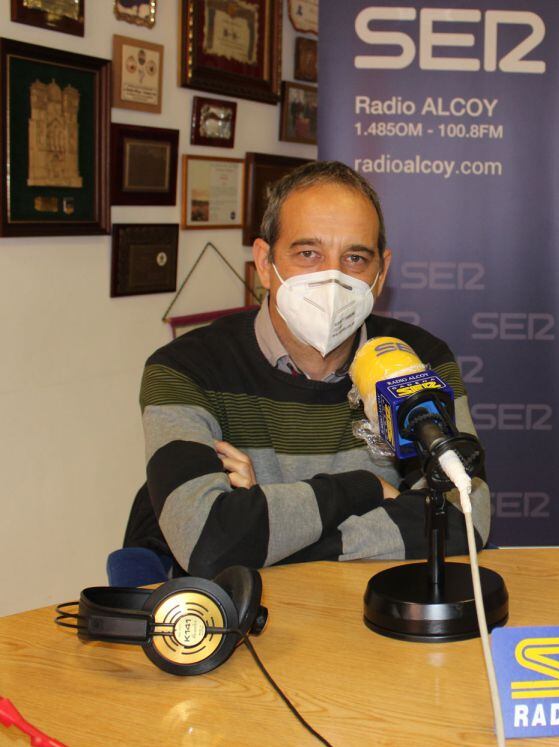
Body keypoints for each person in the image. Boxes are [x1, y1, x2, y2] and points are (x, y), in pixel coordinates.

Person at [121, 161, 489, 578]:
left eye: (354, 257)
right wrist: (363, 488)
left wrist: (265, 518)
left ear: (381, 272)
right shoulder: (185, 370)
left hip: (379, 614)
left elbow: (463, 520)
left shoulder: (419, 360)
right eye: (308, 254)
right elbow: (207, 540)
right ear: (264, 262)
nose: (332, 278)